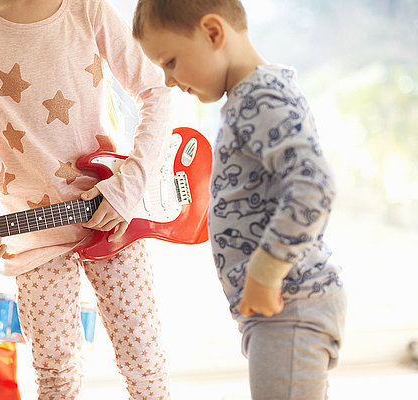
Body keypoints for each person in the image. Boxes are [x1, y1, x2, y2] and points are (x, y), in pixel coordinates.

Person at [0, 0, 172, 398]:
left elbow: (157, 90)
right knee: (55, 376)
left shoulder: (87, 8)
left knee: (144, 363)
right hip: (29, 229)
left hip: (113, 213)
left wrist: (127, 186)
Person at [132, 1, 347, 399]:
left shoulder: (259, 97)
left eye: (171, 61)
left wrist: (266, 274)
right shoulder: (254, 94)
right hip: (283, 306)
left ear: (213, 33)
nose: (168, 80)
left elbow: (313, 187)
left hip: (290, 301)